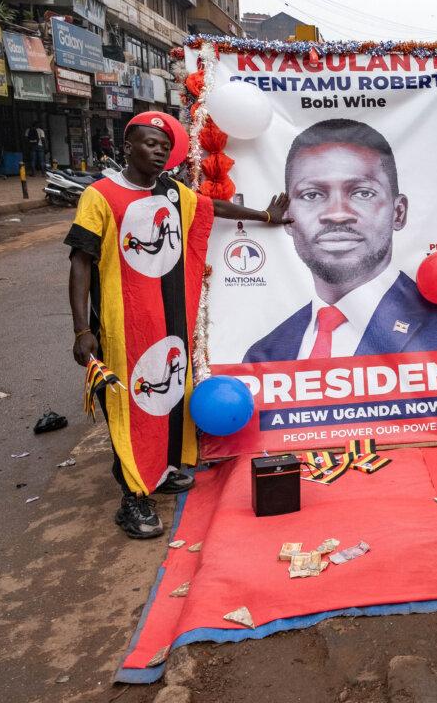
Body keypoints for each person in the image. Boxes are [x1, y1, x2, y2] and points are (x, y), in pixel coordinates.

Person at [66, 112, 289, 539]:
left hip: (170, 322)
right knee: (130, 409)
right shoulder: (100, 195)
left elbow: (213, 207)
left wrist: (264, 215)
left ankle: (162, 470)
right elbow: (80, 263)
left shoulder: (172, 191)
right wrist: (81, 330)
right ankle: (133, 496)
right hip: (122, 328)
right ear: (127, 146)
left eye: (165, 145)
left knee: (166, 399)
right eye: (150, 143)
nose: (160, 150)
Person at [243, 118, 437, 363]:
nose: (337, 214)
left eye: (362, 193)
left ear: (398, 212)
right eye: (312, 194)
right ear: (288, 216)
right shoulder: (265, 353)